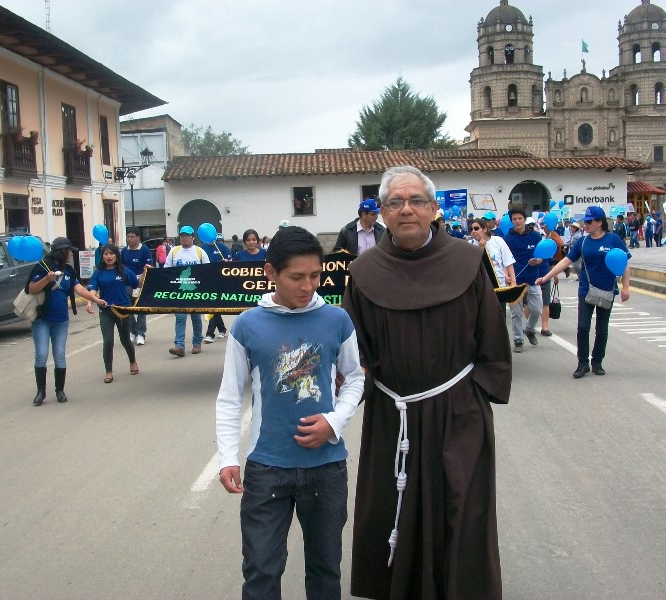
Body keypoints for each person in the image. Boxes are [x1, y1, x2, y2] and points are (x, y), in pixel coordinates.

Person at [344, 165, 512, 600]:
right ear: (381, 212)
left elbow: (490, 335)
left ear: (434, 208)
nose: (406, 210)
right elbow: (354, 350)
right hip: (391, 414)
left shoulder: (469, 261)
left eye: (416, 201)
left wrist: (480, 394)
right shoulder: (363, 273)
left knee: (461, 506)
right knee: (392, 508)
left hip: (457, 410)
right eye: (395, 202)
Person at [216, 226, 364, 600]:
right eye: (297, 277)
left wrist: (333, 421)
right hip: (267, 469)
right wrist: (228, 457)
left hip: (327, 468)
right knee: (261, 571)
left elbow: (355, 380)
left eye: (315, 275)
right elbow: (230, 396)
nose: (308, 285)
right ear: (270, 273)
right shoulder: (247, 324)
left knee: (325, 569)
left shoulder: (336, 320)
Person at [536, 205, 631, 378]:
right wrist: (546, 277)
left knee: (602, 329)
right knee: (582, 327)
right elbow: (565, 261)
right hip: (586, 290)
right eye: (584, 222)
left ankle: (597, 362)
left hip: (607, 289)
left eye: (589, 221)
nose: (585, 225)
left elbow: (623, 263)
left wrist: (626, 287)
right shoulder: (583, 242)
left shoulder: (613, 240)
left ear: (599, 222)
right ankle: (582, 363)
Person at [27, 237, 107, 406]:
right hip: (42, 319)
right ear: (62, 252)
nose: (71, 254)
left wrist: (96, 299)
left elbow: (79, 289)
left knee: (60, 355)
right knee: (41, 354)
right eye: (69, 251)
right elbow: (31, 288)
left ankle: (59, 390)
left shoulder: (68, 271)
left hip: (61, 319)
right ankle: (40, 391)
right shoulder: (43, 267)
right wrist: (46, 280)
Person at [85, 244, 140, 383]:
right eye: (106, 254)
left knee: (125, 340)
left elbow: (137, 284)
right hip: (106, 311)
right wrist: (91, 301)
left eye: (111, 254)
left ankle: (133, 362)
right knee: (108, 341)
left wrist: (145, 272)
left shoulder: (124, 271)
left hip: (123, 310)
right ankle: (108, 371)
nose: (109, 257)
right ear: (102, 256)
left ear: (116, 255)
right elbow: (92, 290)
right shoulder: (98, 272)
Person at [504, 207, 545, 353]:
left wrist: (538, 261)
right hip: (515, 281)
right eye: (514, 219)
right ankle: (518, 339)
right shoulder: (507, 238)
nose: (517, 221)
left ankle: (529, 329)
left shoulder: (535, 236)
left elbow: (543, 256)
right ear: (511, 221)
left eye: (519, 218)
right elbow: (504, 260)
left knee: (536, 309)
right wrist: (507, 275)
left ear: (524, 219)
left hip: (533, 279)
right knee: (516, 313)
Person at [166, 226, 210, 356]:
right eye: (182, 235)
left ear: (193, 237)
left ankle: (197, 343)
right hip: (179, 291)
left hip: (195, 291)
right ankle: (179, 345)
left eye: (187, 235)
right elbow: (166, 270)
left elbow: (208, 271)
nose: (184, 238)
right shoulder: (174, 251)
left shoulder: (200, 252)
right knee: (180, 318)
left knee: (196, 318)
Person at [120, 227, 154, 346]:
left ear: (138, 237)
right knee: (127, 309)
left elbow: (150, 266)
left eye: (132, 236)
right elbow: (120, 266)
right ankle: (132, 331)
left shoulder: (144, 250)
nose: (129, 239)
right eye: (128, 237)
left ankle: (140, 333)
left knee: (141, 309)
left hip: (141, 282)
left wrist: (145, 272)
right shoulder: (124, 251)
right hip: (127, 282)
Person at [200, 233, 232, 343]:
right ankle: (222, 329)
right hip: (207, 280)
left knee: (213, 305)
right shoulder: (201, 249)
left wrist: (226, 263)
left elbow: (230, 260)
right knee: (213, 306)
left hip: (220, 280)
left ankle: (210, 334)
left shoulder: (221, 247)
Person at [468, 218, 516, 288]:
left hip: (499, 282)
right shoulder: (470, 244)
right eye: (471, 229)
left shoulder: (498, 240)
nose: (473, 231)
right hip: (480, 284)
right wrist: (480, 248)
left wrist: (513, 282)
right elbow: (471, 265)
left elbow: (508, 262)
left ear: (484, 229)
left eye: (476, 228)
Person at [539, 219, 566, 336]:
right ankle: (530, 324)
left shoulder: (547, 243)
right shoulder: (526, 246)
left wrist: (554, 275)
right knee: (529, 304)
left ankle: (544, 327)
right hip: (529, 278)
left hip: (544, 275)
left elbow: (551, 261)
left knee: (545, 302)